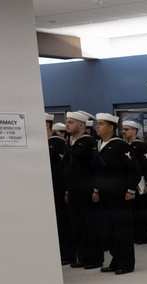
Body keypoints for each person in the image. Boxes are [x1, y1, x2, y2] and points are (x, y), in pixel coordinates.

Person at [93, 112, 141, 274]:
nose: (97, 127)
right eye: (97, 124)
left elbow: (134, 170)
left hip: (120, 195)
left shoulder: (121, 146)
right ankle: (115, 260)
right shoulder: (99, 144)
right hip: (105, 195)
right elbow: (98, 172)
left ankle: (126, 263)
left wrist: (130, 190)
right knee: (110, 230)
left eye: (100, 124)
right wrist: (96, 190)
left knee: (122, 230)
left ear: (111, 127)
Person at [62, 110, 103, 269]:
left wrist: (96, 189)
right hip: (73, 190)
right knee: (77, 226)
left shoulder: (89, 142)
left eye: (71, 122)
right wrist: (66, 191)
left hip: (87, 190)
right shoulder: (68, 142)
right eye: (66, 122)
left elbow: (96, 168)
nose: (67, 125)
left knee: (91, 225)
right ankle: (82, 256)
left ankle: (94, 258)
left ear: (81, 125)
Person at [122, 119, 147, 244]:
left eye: (127, 129)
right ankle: (135, 235)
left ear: (134, 131)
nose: (124, 131)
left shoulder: (141, 146)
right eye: (123, 129)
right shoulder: (125, 146)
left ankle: (144, 236)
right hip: (130, 183)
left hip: (141, 183)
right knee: (133, 211)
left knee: (142, 211)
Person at [46, 114, 74, 265]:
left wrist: (66, 190)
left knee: (63, 223)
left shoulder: (58, 143)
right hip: (48, 190)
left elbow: (63, 169)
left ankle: (67, 254)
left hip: (59, 189)